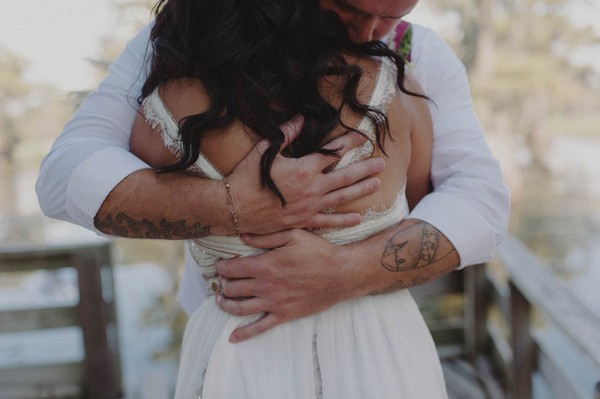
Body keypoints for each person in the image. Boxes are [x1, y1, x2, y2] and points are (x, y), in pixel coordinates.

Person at [36, 0, 509, 346]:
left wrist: (342, 273)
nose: (370, 32)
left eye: (392, 15)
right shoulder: (179, 48)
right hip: (229, 329)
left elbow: (481, 203)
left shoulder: (418, 56)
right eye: (346, 8)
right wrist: (236, 207)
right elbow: (63, 177)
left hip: (366, 333)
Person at [130, 0, 447, 397]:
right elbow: (426, 218)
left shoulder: (169, 109)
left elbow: (128, 201)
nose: (368, 33)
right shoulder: (402, 98)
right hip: (381, 349)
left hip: (241, 352)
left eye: (389, 19)